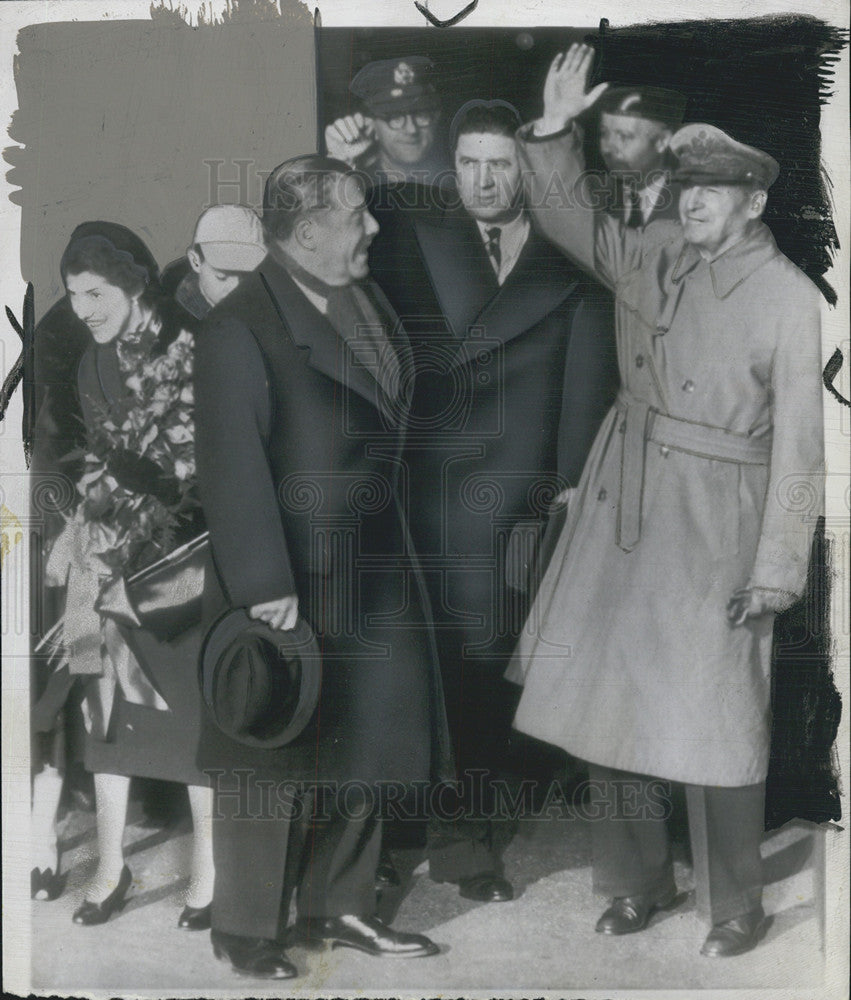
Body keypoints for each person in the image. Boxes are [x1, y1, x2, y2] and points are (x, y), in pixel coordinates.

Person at [508, 44, 824, 957]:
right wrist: (554, 130)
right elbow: (570, 220)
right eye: (685, 187)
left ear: (752, 203)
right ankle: (633, 882)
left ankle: (734, 905)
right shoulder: (655, 253)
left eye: (711, 192)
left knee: (716, 718)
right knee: (615, 701)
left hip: (718, 522)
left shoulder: (788, 299)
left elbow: (801, 448)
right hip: (626, 509)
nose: (691, 202)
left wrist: (774, 570)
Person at [193, 154, 450, 980]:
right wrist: (264, 584)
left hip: (374, 561)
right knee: (271, 747)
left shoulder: (358, 295)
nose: (372, 227)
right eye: (356, 216)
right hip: (289, 576)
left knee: (369, 740)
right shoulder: (238, 326)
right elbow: (230, 466)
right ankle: (243, 927)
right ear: (305, 234)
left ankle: (339, 904)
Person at [367, 101, 617, 903]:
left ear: (525, 169)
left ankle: (465, 841)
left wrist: (565, 493)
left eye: (500, 164)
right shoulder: (405, 234)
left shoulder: (569, 259)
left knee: (482, 678)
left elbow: (582, 386)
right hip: (413, 497)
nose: (481, 180)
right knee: (398, 671)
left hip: (508, 511)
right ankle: (383, 842)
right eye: (468, 162)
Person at [35, 224, 216, 930]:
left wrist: (147, 490)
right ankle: (113, 865)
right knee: (100, 714)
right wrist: (93, 528)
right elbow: (82, 457)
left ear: (136, 282)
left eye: (96, 292)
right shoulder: (89, 363)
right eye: (74, 294)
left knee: (193, 720)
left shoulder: (193, 348)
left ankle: (209, 869)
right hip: (106, 552)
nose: (83, 308)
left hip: (182, 563)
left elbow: (205, 467)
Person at [324, 56, 447, 185]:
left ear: (436, 116)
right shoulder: (357, 180)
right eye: (395, 117)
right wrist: (340, 165)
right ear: (371, 123)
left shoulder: (458, 176)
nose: (411, 129)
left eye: (422, 115)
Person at [594, 85, 685, 228]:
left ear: (662, 141)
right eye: (604, 134)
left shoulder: (690, 203)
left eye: (624, 137)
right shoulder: (593, 197)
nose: (607, 148)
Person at [166, 204, 267, 321]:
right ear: (196, 261)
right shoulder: (173, 320)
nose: (236, 288)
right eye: (222, 277)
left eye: (247, 276)